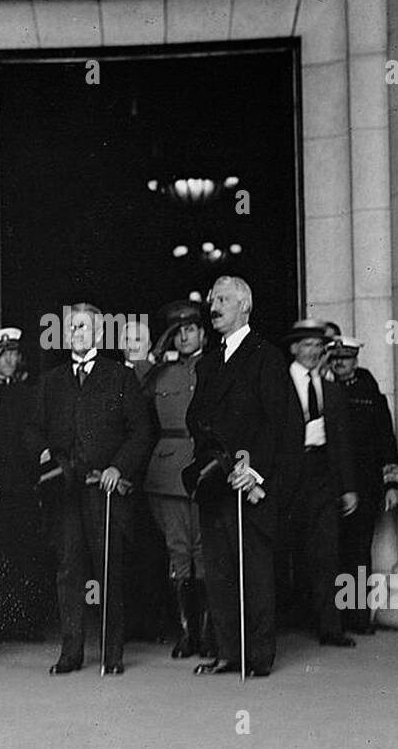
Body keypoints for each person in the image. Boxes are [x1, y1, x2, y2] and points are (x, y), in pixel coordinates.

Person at [185, 277, 302, 677]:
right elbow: (197, 420)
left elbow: (282, 425)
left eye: (223, 300)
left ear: (244, 307)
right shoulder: (208, 362)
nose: (214, 307)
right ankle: (227, 652)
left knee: (253, 571)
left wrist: (254, 472)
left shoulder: (266, 357)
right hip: (215, 481)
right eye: (213, 299)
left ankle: (257, 657)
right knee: (218, 571)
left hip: (249, 483)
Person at [28, 303, 154, 675]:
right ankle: (71, 652)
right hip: (65, 491)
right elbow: (32, 429)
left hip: (104, 490)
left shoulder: (119, 377)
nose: (76, 334)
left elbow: (140, 431)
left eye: (83, 328)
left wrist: (119, 466)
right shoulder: (51, 381)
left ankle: (112, 652)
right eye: (71, 328)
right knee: (69, 570)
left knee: (107, 569)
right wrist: (45, 453)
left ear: (99, 334)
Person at [142, 300, 213, 658]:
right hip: (168, 471)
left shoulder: (216, 366)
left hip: (205, 468)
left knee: (205, 552)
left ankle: (207, 632)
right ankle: (188, 634)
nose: (184, 336)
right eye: (177, 331)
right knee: (178, 551)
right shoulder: (159, 373)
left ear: (203, 332)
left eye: (190, 329)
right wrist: (157, 352)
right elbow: (130, 390)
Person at [281, 320, 359, 646]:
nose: (314, 352)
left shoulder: (333, 391)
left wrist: (348, 487)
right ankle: (285, 621)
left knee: (327, 553)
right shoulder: (278, 384)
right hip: (286, 479)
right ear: (294, 349)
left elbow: (343, 443)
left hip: (323, 477)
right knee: (285, 553)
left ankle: (330, 628)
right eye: (307, 345)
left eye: (318, 346)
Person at [0, 326, 47, 642]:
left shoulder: (28, 393)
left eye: (15, 353)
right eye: (6, 355)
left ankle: (26, 623)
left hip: (24, 485)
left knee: (26, 553)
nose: (12, 360)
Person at [329, 336, 398, 634]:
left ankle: (357, 618)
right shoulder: (323, 389)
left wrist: (392, 484)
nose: (340, 364)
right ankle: (333, 619)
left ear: (355, 360)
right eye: (335, 359)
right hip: (331, 486)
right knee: (332, 553)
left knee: (358, 553)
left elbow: (386, 438)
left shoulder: (369, 391)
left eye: (345, 358)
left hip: (365, 486)